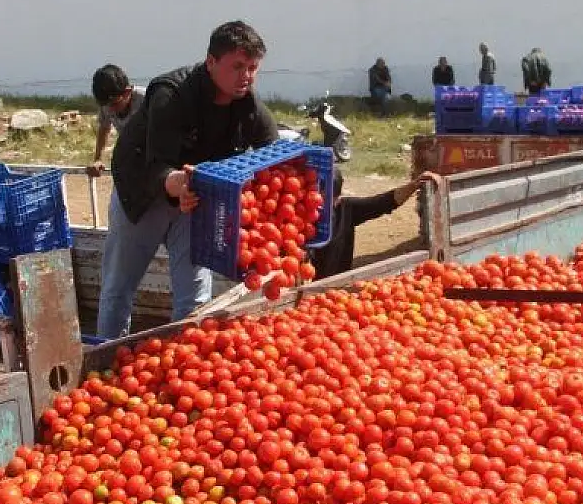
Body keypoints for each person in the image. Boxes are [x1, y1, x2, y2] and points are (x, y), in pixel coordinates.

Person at [98, 20, 278, 339]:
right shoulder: (171, 93)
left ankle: (184, 358)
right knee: (119, 286)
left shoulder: (247, 102)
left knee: (194, 295)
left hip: (193, 195)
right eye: (237, 66)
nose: (246, 76)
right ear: (211, 62)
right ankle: (104, 357)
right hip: (142, 192)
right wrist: (179, 182)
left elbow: (273, 152)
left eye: (252, 67)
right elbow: (156, 167)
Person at [309, 169, 437, 279]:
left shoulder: (346, 209)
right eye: (318, 198)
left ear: (338, 198)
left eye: (328, 200)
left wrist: (415, 184)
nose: (321, 205)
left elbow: (383, 203)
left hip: (335, 290)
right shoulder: (299, 218)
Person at [88, 64, 146, 177]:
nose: (111, 109)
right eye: (106, 105)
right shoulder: (106, 104)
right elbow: (104, 128)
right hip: (130, 156)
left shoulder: (147, 100)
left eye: (115, 104)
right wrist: (98, 159)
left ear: (127, 92)